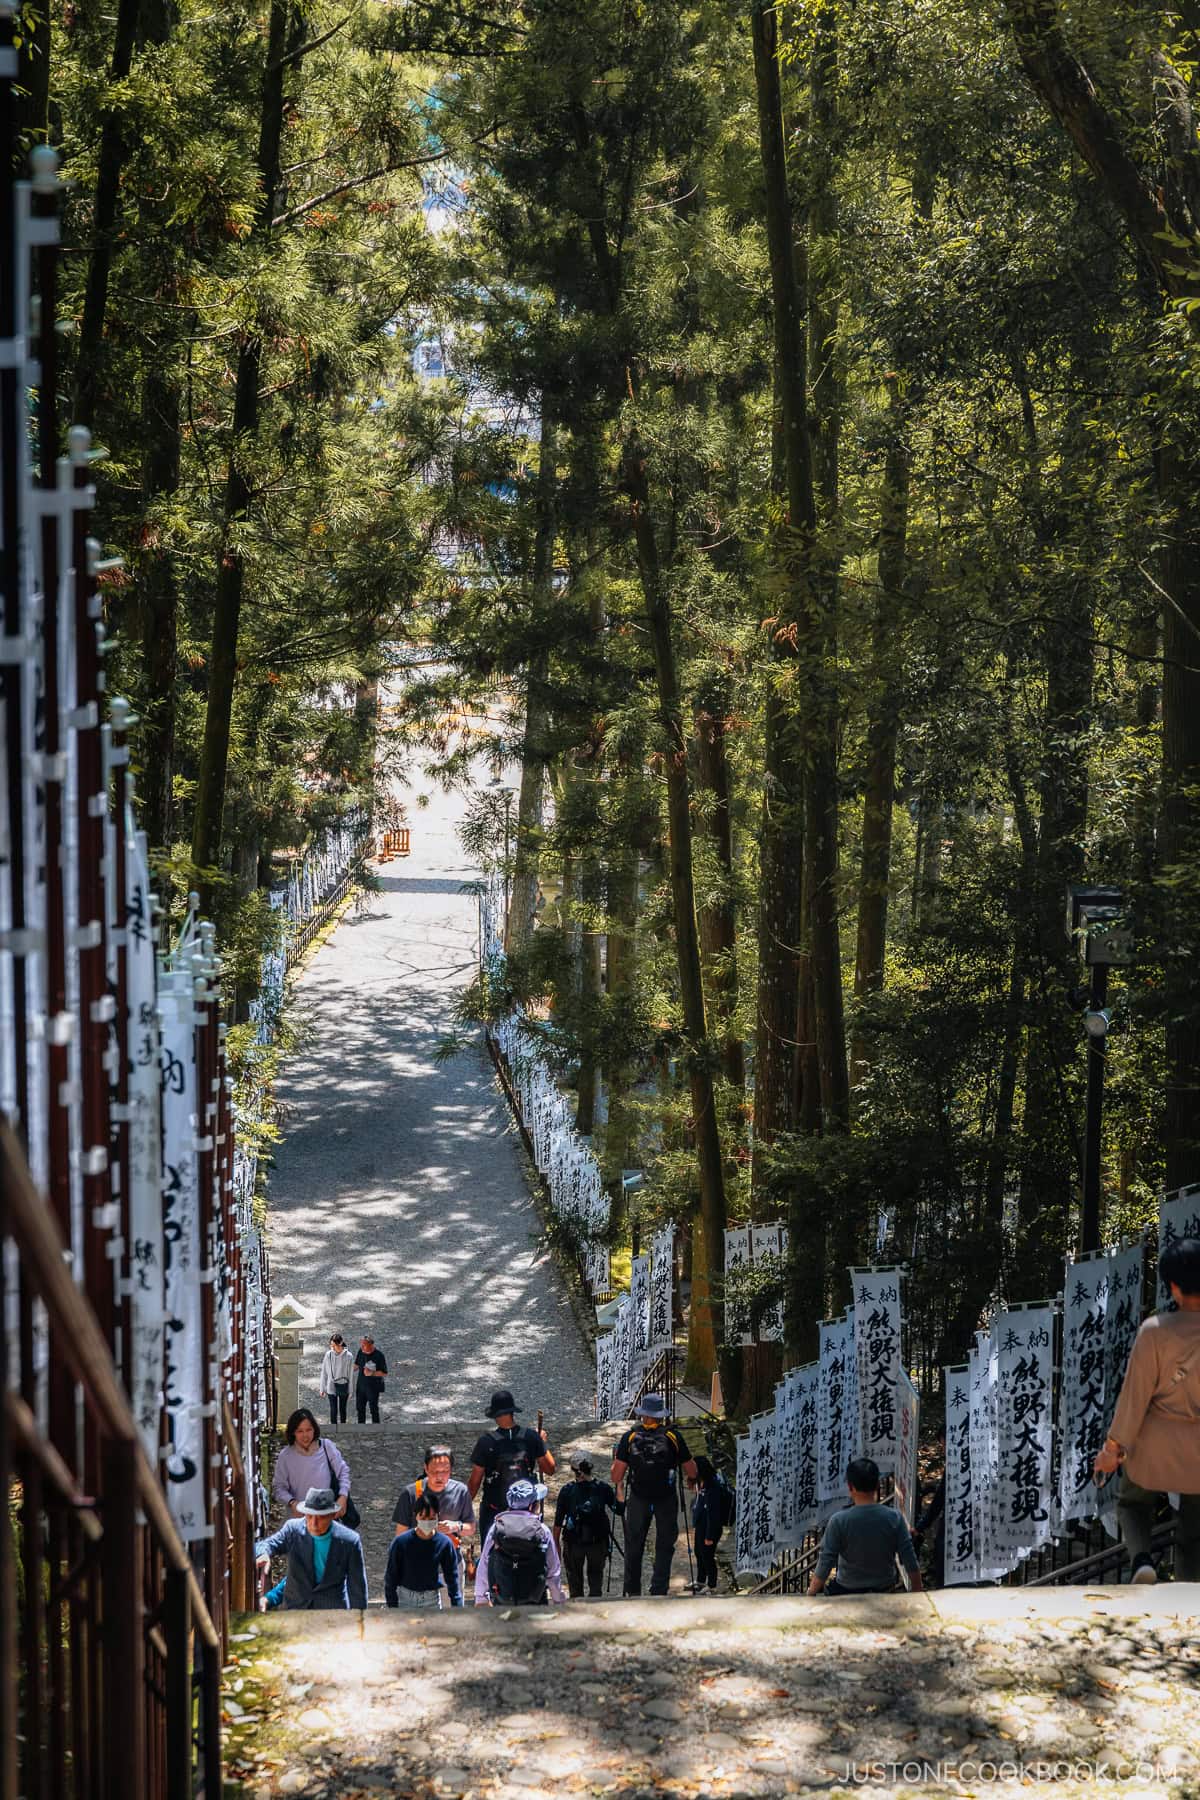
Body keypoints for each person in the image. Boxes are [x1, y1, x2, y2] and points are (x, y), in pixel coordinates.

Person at [1093, 1236, 1200, 1584]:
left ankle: (1142, 1560)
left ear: (1173, 1287)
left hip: (1154, 1447)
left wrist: (1112, 1450)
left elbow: (1133, 1399)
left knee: (1132, 1503)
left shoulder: (1154, 1333)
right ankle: (1188, 1598)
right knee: (1194, 1530)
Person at [611, 1394, 698, 1597]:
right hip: (665, 1498)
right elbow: (692, 1471)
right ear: (660, 1416)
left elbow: (616, 1475)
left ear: (643, 1415)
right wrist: (689, 1477)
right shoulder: (673, 1437)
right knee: (665, 1544)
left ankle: (632, 1591)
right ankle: (658, 1590)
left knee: (634, 1544)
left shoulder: (630, 1437)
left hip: (639, 1497)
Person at [807, 1457, 923, 1596]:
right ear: (877, 1485)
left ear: (850, 1487)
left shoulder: (839, 1521)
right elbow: (909, 1557)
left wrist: (811, 1593)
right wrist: (917, 1590)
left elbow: (826, 1561)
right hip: (884, 1588)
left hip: (846, 1590)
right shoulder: (894, 1518)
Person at [255, 1486, 368, 1609]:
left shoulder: (350, 1541)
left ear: (332, 1515)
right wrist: (263, 1553)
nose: (314, 1523)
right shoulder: (293, 1530)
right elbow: (265, 1545)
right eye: (309, 1516)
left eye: (321, 1518)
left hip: (333, 1612)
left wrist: (359, 1621)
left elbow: (357, 1589)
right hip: (296, 1610)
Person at [468, 1389, 555, 1547]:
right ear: (512, 1412)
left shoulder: (486, 1443)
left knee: (492, 1554)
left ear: (495, 1415)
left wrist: (464, 1507)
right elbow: (550, 1469)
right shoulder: (531, 1437)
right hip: (526, 1511)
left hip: (495, 1511)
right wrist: (541, 1443)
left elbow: (475, 1481)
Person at [393, 1443, 476, 1595]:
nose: (439, 1476)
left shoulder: (461, 1491)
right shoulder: (411, 1493)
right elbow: (400, 1536)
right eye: (434, 1471)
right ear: (425, 1468)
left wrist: (455, 1526)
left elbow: (471, 1528)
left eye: (445, 1471)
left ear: (451, 1470)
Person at [475, 1479, 565, 1606]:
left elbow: (484, 1563)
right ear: (531, 1506)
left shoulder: (496, 1528)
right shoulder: (542, 1530)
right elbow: (553, 1571)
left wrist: (481, 1598)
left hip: (503, 1597)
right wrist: (558, 1600)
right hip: (535, 1599)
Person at [553, 1456, 619, 1599]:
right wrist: (619, 1485)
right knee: (596, 1582)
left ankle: (576, 1609)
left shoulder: (567, 1491)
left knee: (575, 1584)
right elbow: (619, 1509)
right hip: (598, 1542)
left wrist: (556, 1544)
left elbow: (558, 1522)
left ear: (577, 1472)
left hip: (573, 1542)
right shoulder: (603, 1488)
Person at [384, 1490, 463, 1609]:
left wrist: (457, 1606)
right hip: (405, 1599)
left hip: (432, 1600)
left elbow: (452, 1578)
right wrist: (392, 1606)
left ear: (438, 1515)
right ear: (416, 1515)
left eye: (432, 1517)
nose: (427, 1522)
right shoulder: (400, 1542)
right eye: (423, 1517)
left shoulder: (444, 1543)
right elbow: (391, 1577)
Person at [273, 1407, 352, 1520]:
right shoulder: (286, 1456)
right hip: (299, 1520)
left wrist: (343, 1496)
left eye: (308, 1430)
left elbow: (343, 1472)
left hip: (327, 1518)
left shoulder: (326, 1447)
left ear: (314, 1429)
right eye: (300, 1431)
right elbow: (279, 1488)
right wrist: (292, 1502)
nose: (305, 1435)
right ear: (293, 1433)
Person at [690, 1455, 727, 1593]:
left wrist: (710, 1536)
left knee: (707, 1556)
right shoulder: (701, 1483)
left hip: (710, 1528)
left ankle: (712, 1585)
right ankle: (700, 1580)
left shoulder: (713, 1487)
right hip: (701, 1525)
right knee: (699, 1553)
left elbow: (713, 1514)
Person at [319, 1332, 355, 1426]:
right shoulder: (328, 1355)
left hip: (343, 1385)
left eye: (334, 1345)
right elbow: (324, 1372)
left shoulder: (349, 1356)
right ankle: (333, 1428)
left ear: (340, 1343)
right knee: (333, 1409)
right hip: (331, 1385)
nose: (332, 1347)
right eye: (331, 1345)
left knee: (343, 1409)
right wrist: (322, 1388)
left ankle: (343, 1427)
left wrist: (351, 1390)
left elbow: (350, 1374)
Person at [354, 1334, 388, 1423]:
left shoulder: (379, 1355)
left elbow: (384, 1373)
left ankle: (376, 1429)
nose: (362, 1347)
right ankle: (361, 1428)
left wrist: (372, 1373)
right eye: (361, 1345)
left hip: (373, 1388)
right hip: (361, 1386)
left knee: (373, 1409)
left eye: (364, 1345)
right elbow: (356, 1365)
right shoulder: (360, 1351)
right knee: (360, 1409)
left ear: (371, 1345)